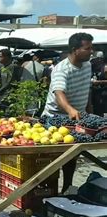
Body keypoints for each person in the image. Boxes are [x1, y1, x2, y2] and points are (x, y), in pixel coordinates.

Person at [42, 32, 94, 193]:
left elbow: (87, 88)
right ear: (75, 49)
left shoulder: (88, 65)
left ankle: (67, 187)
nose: (91, 51)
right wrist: (71, 110)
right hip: (54, 118)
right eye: (87, 48)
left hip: (77, 118)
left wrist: (89, 108)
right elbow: (59, 94)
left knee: (72, 156)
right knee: (54, 157)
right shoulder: (61, 69)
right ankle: (49, 191)